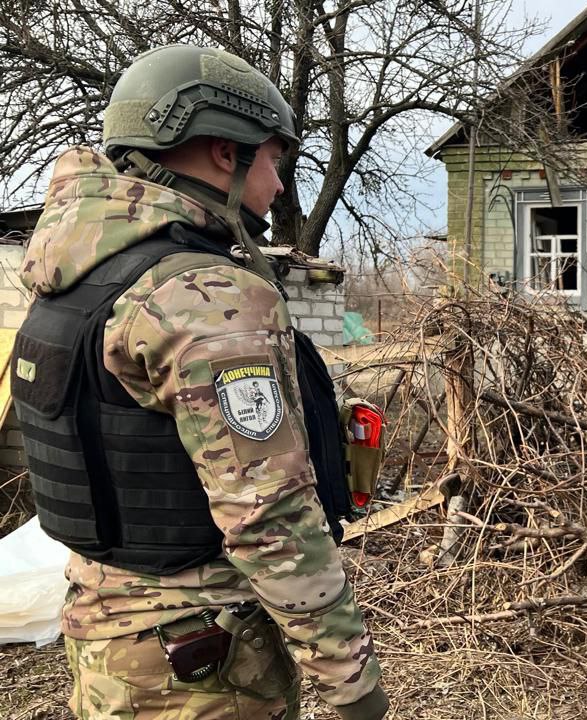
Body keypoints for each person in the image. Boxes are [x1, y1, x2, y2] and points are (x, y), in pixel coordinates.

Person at [11, 44, 387, 719]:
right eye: (274, 160)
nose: (277, 185)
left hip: (105, 639)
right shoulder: (201, 293)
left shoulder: (71, 276)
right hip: (202, 664)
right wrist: (351, 680)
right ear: (222, 150)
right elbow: (269, 518)